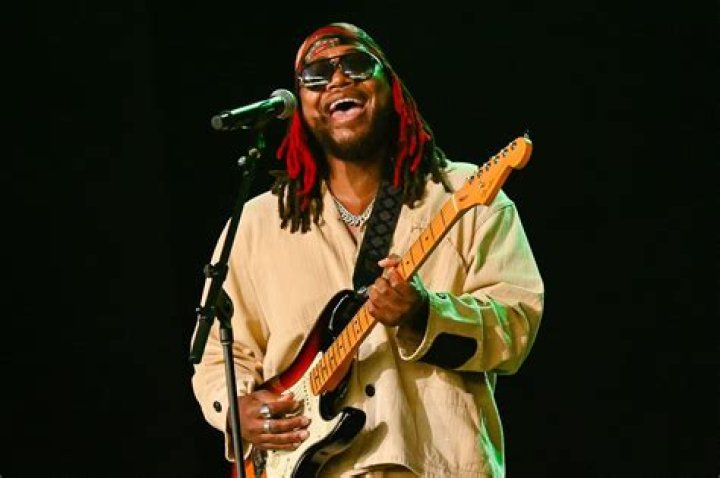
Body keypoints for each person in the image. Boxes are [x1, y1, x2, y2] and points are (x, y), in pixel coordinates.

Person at [191, 22, 544, 478]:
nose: (338, 79)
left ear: (390, 87)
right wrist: (236, 409)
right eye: (317, 75)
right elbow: (218, 354)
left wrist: (425, 315)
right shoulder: (258, 225)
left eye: (356, 64)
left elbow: (517, 324)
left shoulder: (465, 195)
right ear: (300, 105)